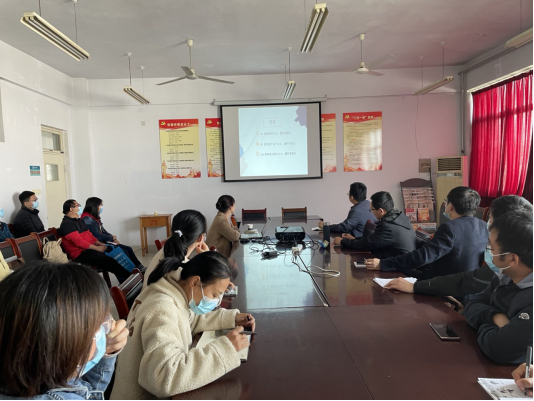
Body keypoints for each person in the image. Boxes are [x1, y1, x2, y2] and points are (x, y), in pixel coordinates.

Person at [111, 253, 256, 400]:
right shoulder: (162, 308)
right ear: (195, 282)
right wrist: (225, 350)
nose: (217, 302)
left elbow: (189, 320)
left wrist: (232, 318)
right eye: (214, 295)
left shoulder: (176, 290)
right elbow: (162, 378)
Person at [0, 261, 128, 400]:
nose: (107, 326)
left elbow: (86, 392)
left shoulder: (39, 376)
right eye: (98, 325)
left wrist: (106, 351)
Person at [385, 196, 533, 297]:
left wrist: (415, 286)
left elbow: (469, 282)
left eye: (491, 221)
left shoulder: (514, 270)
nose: (488, 226)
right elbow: (478, 301)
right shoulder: (504, 265)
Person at [365, 187, 488, 280]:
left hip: (443, 284)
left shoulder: (450, 228)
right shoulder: (484, 226)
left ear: (450, 206)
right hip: (468, 286)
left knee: (394, 276)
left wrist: (383, 264)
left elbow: (423, 257)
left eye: (446, 201)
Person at [464, 211, 533, 365]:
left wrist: (483, 322)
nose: (487, 250)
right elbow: (472, 304)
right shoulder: (505, 276)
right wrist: (496, 317)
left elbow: (499, 348)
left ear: (512, 259)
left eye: (491, 247)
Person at [58, 199, 131, 282]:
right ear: (71, 209)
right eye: (78, 206)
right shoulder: (67, 224)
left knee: (117, 252)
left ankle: (128, 278)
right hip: (80, 253)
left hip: (89, 248)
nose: (80, 207)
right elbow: (79, 242)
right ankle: (129, 278)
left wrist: (99, 243)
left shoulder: (78, 221)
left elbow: (90, 235)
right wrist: (97, 248)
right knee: (109, 260)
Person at [334, 191, 416, 258]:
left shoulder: (387, 225)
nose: (371, 212)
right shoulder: (401, 217)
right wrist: (354, 239)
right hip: (404, 262)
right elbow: (373, 239)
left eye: (372, 210)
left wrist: (342, 242)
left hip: (398, 268)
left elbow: (368, 244)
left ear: (381, 211)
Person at [143, 210, 210, 290]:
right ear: (201, 238)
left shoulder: (167, 248)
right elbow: (206, 291)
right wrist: (207, 260)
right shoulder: (183, 271)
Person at [81, 197, 144, 270]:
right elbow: (96, 235)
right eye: (100, 205)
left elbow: (103, 230)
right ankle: (130, 272)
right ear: (95, 206)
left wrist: (113, 239)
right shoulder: (87, 218)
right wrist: (111, 238)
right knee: (123, 252)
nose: (101, 207)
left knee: (128, 249)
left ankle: (139, 268)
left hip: (103, 241)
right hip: (97, 244)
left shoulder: (94, 217)